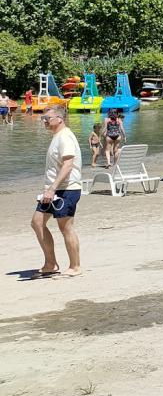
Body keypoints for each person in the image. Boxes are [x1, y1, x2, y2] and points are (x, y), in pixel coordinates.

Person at [32, 106, 82, 277]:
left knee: (66, 227)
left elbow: (68, 164)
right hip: (53, 190)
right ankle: (51, 263)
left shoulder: (65, 137)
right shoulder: (57, 136)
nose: (44, 121)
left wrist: (53, 188)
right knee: (37, 222)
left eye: (47, 118)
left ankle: (75, 266)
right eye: (43, 118)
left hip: (66, 189)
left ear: (59, 119)